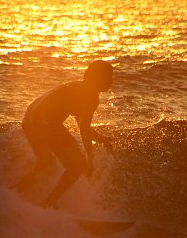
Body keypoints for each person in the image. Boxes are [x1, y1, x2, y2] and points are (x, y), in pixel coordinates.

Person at [14, 60, 114, 207]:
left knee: (46, 162)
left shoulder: (79, 87)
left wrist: (102, 139)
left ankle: (15, 192)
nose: (111, 81)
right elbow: (84, 129)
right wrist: (90, 160)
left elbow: (83, 125)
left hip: (29, 121)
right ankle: (50, 202)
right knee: (78, 164)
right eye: (108, 77)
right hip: (45, 123)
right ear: (99, 77)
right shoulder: (91, 96)